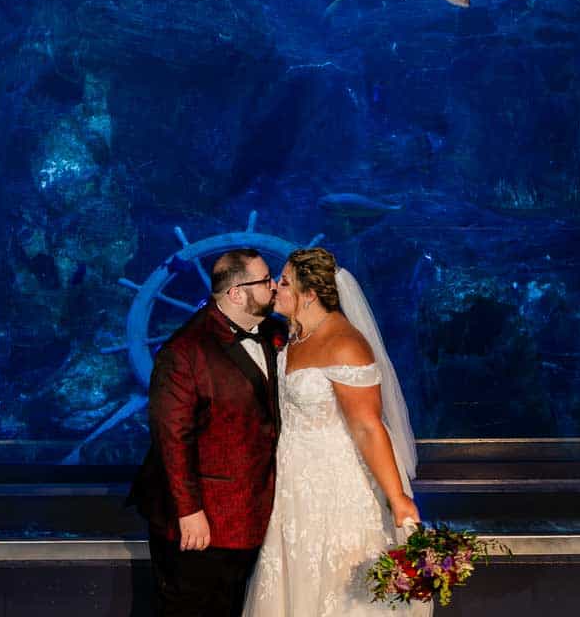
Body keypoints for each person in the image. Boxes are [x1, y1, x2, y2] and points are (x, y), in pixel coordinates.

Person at [243, 246, 431, 617]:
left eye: (283, 283)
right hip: (294, 487)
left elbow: (366, 427)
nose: (275, 289)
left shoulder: (345, 344)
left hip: (334, 487)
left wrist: (398, 499)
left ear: (309, 295)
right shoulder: (295, 336)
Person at [128, 247, 285, 617]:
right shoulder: (184, 351)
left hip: (250, 512)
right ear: (235, 293)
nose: (274, 286)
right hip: (201, 520)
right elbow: (171, 437)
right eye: (265, 281)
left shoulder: (273, 332)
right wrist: (189, 510)